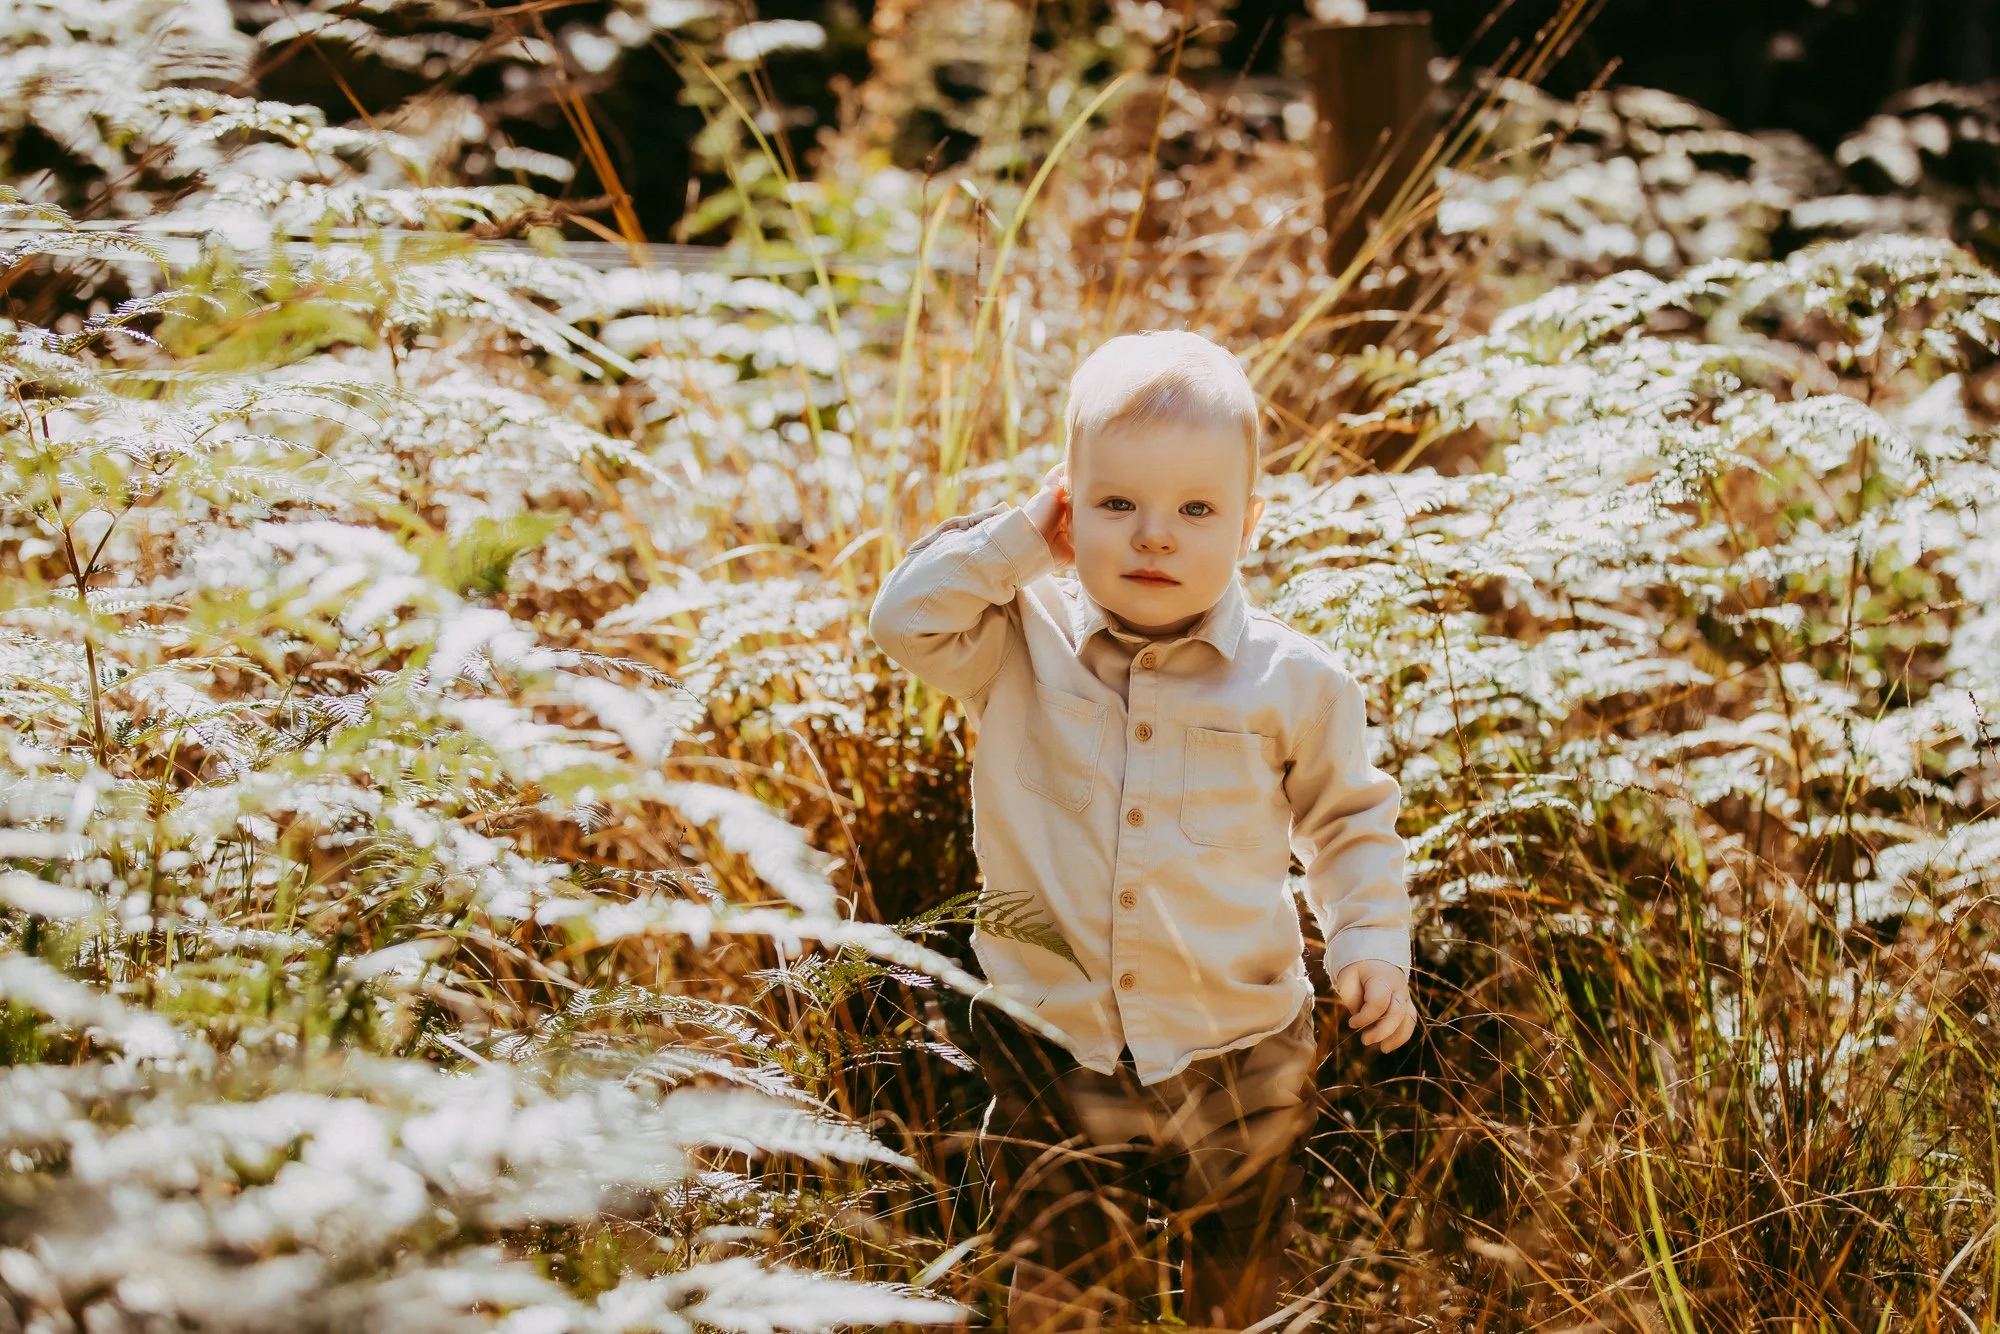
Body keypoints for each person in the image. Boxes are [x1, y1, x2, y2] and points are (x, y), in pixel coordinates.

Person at [867, 329, 1415, 1332]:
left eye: (1194, 509)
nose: (1154, 536)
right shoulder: (1017, 642)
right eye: (1116, 504)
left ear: (1246, 523)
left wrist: (1369, 936)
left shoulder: (1293, 680)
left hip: (1239, 1048)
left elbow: (1348, 820)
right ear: (1067, 504)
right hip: (1052, 1043)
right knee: (1061, 1297)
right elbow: (902, 620)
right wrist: (1020, 538)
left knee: (1234, 1290)